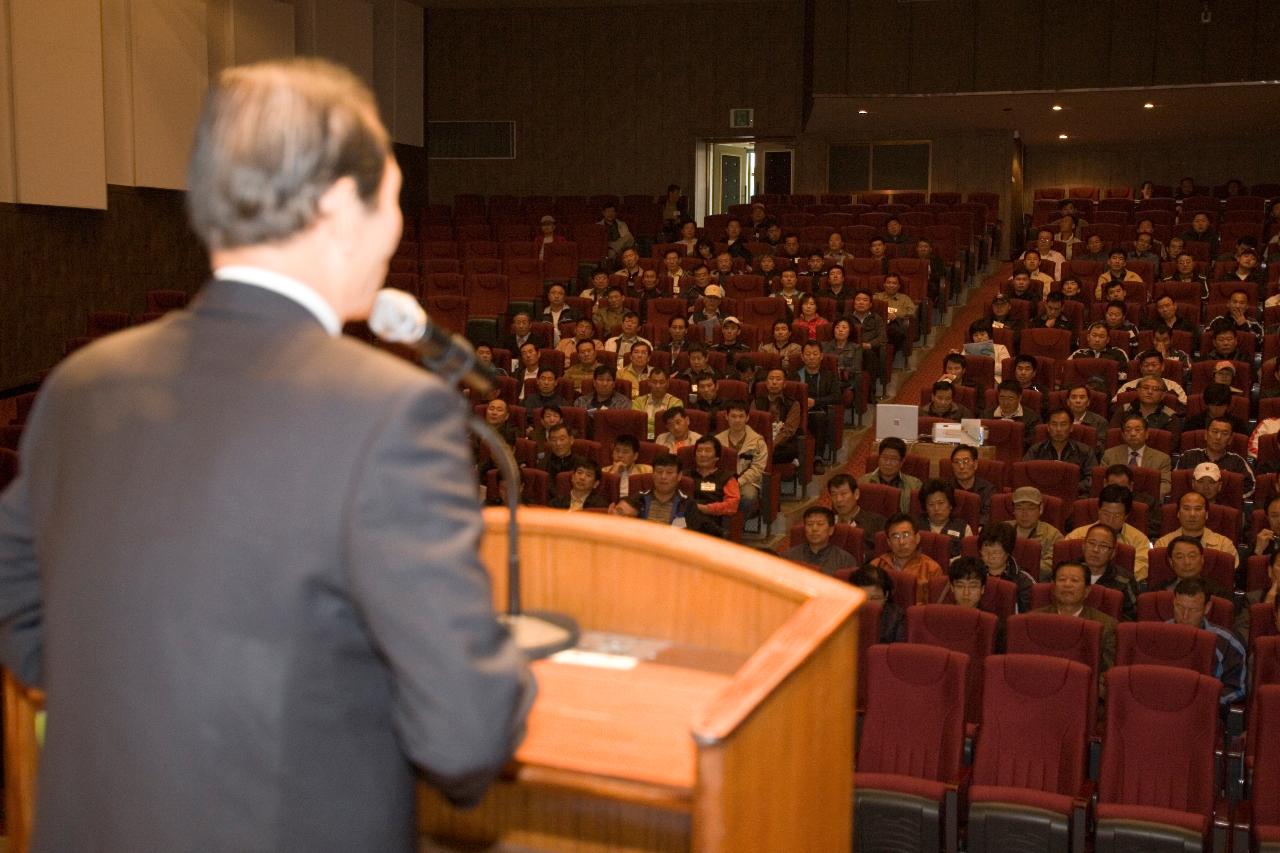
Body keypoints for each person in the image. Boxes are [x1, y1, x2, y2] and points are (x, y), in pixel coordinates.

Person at [0, 58, 533, 852]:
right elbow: (464, 735)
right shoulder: (391, 411)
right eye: (390, 199)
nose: (397, 227)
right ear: (334, 206)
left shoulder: (82, 384)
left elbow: (20, 606)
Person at [1170, 578, 1246, 708]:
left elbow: (1237, 689)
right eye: (1180, 607)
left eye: (1193, 610)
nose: (1185, 616)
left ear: (1207, 608)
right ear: (1173, 602)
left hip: (1204, 709)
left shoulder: (1227, 643)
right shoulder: (1157, 635)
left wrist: (1205, 701)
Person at [1034, 561, 1117, 679]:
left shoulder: (1106, 625)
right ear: (1053, 586)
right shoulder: (1034, 621)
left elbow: (1108, 675)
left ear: (1087, 590)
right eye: (1062, 579)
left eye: (1075, 580)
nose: (1067, 585)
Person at [1063, 484, 1152, 584]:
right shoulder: (1076, 535)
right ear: (1099, 511)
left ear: (1126, 516)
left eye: (1117, 515)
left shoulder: (1139, 539)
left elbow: (1143, 568)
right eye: (1106, 513)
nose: (1110, 520)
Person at [1154, 489, 1240, 569]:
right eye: (1186, 509)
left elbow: (1227, 577)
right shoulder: (1163, 544)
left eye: (1198, 509)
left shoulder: (1224, 545)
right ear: (1178, 514)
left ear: (1206, 514)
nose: (1192, 514)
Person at [870, 514, 944, 605]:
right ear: (889, 542)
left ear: (917, 538)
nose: (901, 542)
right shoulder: (876, 565)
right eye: (895, 537)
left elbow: (933, 607)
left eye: (906, 535)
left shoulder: (932, 569)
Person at [1176, 416, 1255, 499]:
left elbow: (1251, 487)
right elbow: (1177, 483)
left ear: (1230, 439)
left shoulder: (1237, 462)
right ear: (1206, 435)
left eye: (1224, 434)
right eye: (1214, 431)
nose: (1218, 437)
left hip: (1224, 506)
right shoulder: (1188, 457)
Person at [791, 341, 839, 472]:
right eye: (808, 354)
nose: (811, 357)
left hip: (820, 412)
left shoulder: (829, 375)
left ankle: (818, 459)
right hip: (799, 413)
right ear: (802, 357)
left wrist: (815, 402)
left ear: (821, 356)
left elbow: (836, 397)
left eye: (815, 354)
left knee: (819, 418)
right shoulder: (795, 375)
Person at [1023, 409, 1097, 495]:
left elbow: (1093, 479)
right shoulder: (1036, 450)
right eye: (1054, 424)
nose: (1058, 429)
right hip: (1043, 495)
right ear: (1048, 427)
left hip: (1074, 496)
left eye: (1063, 424)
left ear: (1071, 428)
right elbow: (1024, 475)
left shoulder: (1085, 451)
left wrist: (1070, 487)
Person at [1100, 414, 1173, 500]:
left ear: (1147, 434)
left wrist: (1145, 499)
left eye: (1138, 430)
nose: (1133, 434)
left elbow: (1165, 485)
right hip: (1115, 500)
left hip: (1147, 502)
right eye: (1128, 430)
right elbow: (1102, 480)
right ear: (1123, 435)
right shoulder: (1109, 455)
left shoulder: (1162, 459)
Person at [717, 400, 767, 518]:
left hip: (747, 482)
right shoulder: (717, 440)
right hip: (722, 480)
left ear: (747, 418)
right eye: (733, 416)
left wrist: (737, 483)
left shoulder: (758, 441)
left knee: (749, 497)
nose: (737, 420)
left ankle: (736, 523)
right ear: (726, 417)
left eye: (741, 416)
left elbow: (757, 469)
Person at [1079, 524, 1140, 622]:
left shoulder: (1124, 579)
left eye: (1103, 546)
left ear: (1113, 553)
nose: (1095, 550)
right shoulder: (1068, 573)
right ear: (1083, 546)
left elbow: (1133, 617)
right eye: (1091, 543)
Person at [684, 435, 740, 538]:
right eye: (699, 451)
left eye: (708, 451)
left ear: (717, 457)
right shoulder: (685, 476)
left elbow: (732, 505)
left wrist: (706, 508)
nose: (702, 454)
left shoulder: (727, 477)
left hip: (714, 518)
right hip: (685, 519)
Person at [613, 453, 690, 526]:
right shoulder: (639, 498)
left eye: (669, 472)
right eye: (659, 472)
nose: (663, 476)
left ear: (679, 476)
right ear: (653, 474)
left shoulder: (686, 503)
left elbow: (693, 535)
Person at [1005, 486, 1063, 580]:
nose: (1024, 514)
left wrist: (1015, 570)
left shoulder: (1053, 535)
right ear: (1014, 510)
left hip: (1035, 583)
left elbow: (1049, 568)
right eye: (1019, 508)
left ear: (1040, 509)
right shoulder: (1002, 529)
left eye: (1030, 508)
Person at [977, 523, 1036, 613]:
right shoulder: (974, 574)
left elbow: (1029, 616)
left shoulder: (1023, 581)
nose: (990, 556)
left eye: (996, 552)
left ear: (1008, 552)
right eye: (985, 551)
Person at [782, 506, 857, 575]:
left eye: (820, 524)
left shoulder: (845, 560)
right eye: (810, 524)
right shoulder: (788, 557)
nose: (814, 529)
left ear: (831, 530)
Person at [860, 437, 922, 514]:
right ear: (878, 458)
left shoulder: (914, 485)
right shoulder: (863, 482)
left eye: (893, 459)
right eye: (884, 458)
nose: (888, 463)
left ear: (902, 462)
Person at [752, 368, 801, 465]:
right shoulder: (757, 402)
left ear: (784, 384)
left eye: (778, 379)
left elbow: (788, 430)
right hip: (761, 440)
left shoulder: (793, 404)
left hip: (781, 444)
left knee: (789, 451)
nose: (774, 382)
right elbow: (752, 425)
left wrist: (771, 445)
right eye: (771, 379)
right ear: (766, 383)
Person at [848, 565, 906, 644]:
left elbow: (897, 651)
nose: (869, 604)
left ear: (886, 595)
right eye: (863, 599)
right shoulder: (843, 614)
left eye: (875, 598)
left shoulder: (896, 616)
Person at [918, 479, 972, 557]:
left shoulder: (964, 528)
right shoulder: (914, 526)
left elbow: (967, 558)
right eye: (931, 504)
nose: (936, 508)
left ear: (950, 505)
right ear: (925, 507)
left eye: (941, 503)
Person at [983, 379, 1041, 447]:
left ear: (1019, 398)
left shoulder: (1032, 417)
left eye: (1010, 398)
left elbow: (1033, 442)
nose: (1005, 402)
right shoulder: (986, 415)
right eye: (1002, 398)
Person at [947, 445, 995, 526]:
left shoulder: (988, 489)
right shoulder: (946, 488)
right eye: (957, 462)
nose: (961, 467)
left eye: (966, 461)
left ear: (975, 464)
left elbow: (988, 515)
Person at [602, 434, 652, 500]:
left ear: (635, 456)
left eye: (625, 452)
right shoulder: (604, 471)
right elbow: (602, 496)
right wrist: (613, 473)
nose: (620, 455)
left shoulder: (646, 471)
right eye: (617, 451)